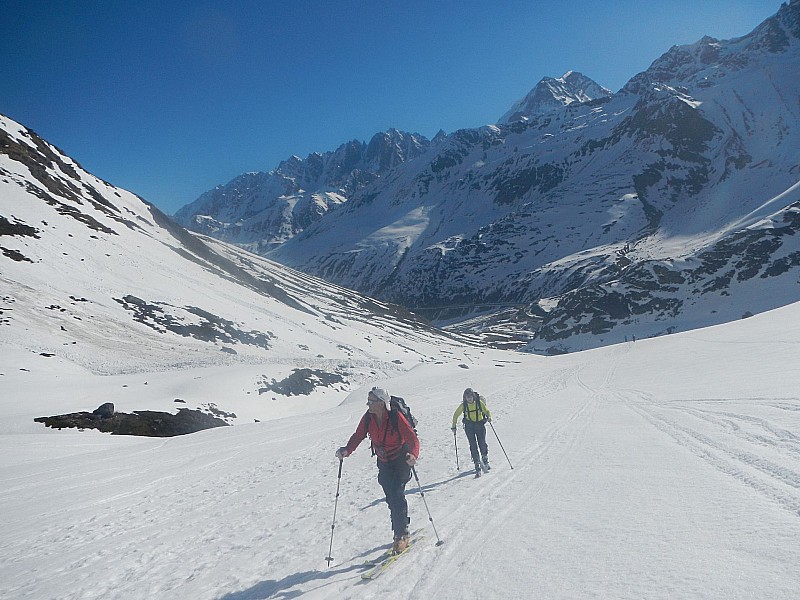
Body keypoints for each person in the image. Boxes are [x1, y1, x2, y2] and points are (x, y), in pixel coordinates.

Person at [336, 387, 420, 554]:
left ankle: (401, 534)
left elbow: (412, 438)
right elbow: (358, 435)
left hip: (401, 459)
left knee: (396, 493)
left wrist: (413, 455)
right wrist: (347, 450)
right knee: (391, 495)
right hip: (384, 461)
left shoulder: (396, 417)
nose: (368, 404)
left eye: (371, 401)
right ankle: (400, 524)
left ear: (382, 403)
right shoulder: (368, 418)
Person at [451, 387, 492, 475]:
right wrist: (453, 427)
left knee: (482, 443)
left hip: (480, 425)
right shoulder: (464, 405)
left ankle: (485, 459)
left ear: (473, 396)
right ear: (465, 398)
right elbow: (455, 415)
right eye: (467, 397)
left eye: (470, 396)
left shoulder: (479, 403)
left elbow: (486, 411)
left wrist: (489, 417)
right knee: (473, 444)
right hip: (469, 427)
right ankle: (476, 462)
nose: (469, 398)